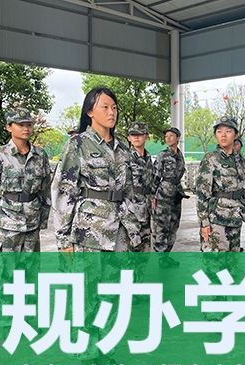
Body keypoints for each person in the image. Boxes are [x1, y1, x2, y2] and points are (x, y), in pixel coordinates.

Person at [51, 87, 140, 252]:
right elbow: (63, 191)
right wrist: (63, 239)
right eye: (105, 107)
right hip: (91, 234)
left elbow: (129, 191)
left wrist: (134, 227)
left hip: (122, 232)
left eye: (114, 108)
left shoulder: (122, 148)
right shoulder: (77, 144)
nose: (111, 112)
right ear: (90, 112)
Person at [0, 108, 52, 252]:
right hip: (7, 223)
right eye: (20, 124)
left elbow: (45, 190)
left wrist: (42, 219)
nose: (26, 128)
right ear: (9, 127)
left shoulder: (40, 155)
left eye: (29, 125)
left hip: (32, 223)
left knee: (31, 265)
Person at [196, 116, 245, 252]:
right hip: (217, 219)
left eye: (228, 131)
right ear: (215, 135)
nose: (223, 135)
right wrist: (204, 223)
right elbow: (202, 193)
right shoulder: (211, 158)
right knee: (215, 261)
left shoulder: (240, 160)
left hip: (235, 217)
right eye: (219, 131)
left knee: (232, 261)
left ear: (235, 135)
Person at [152, 127, 187, 252]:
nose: (168, 138)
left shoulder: (180, 155)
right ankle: (160, 255)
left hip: (176, 194)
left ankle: (166, 254)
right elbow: (156, 176)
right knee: (161, 226)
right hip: (163, 195)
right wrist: (153, 196)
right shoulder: (162, 155)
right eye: (166, 136)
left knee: (173, 225)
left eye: (171, 136)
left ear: (178, 138)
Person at [126, 121, 154, 252]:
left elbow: (150, 181)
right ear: (128, 138)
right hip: (131, 211)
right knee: (132, 250)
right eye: (133, 134)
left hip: (146, 210)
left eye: (140, 134)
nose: (136, 137)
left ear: (146, 136)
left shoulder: (148, 157)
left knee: (146, 248)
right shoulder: (125, 157)